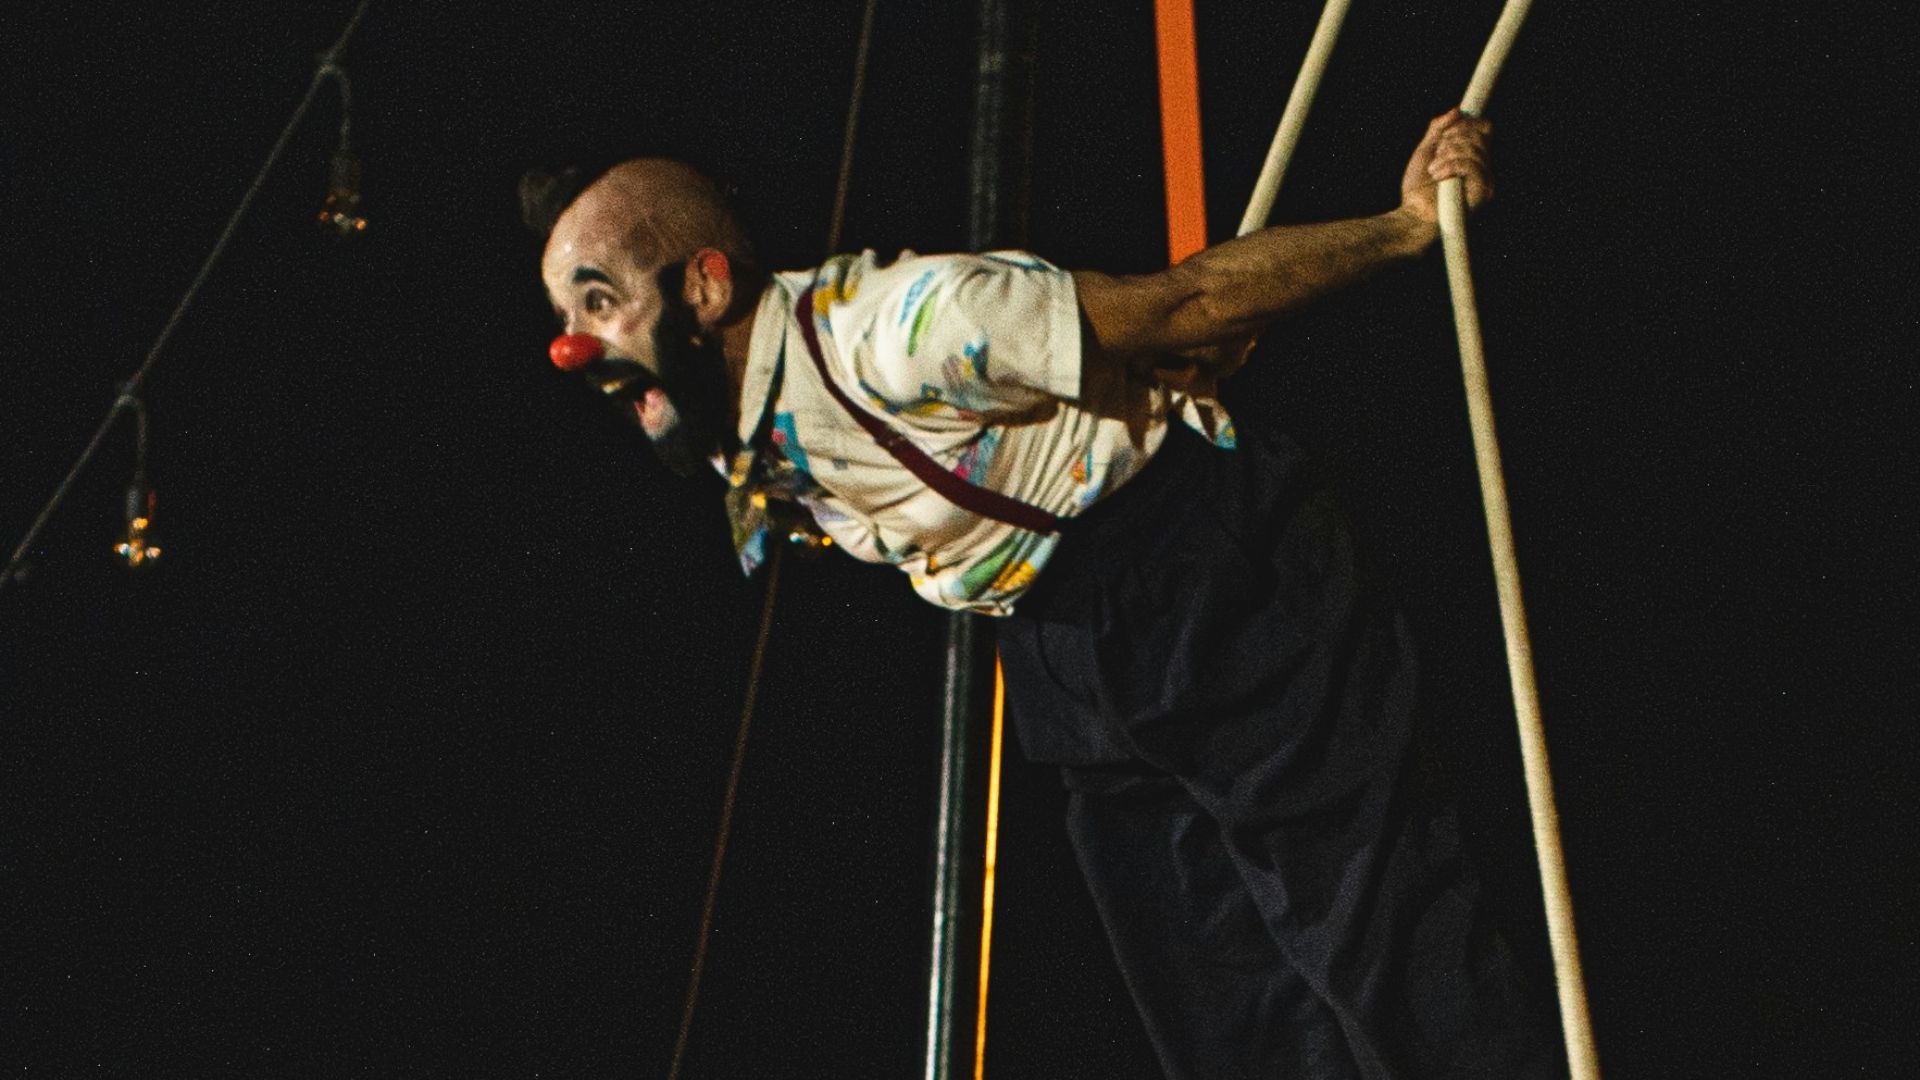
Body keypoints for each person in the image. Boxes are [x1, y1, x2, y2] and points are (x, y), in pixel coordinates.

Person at [522, 108, 1558, 1079]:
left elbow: (1179, 302)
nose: (574, 348)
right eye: (567, 314)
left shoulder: (909, 326)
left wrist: (1402, 227)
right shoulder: (720, 422)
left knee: (1370, 930)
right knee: (1222, 1006)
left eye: (600, 301)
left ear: (705, 287)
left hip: (1190, 563)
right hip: (1062, 650)